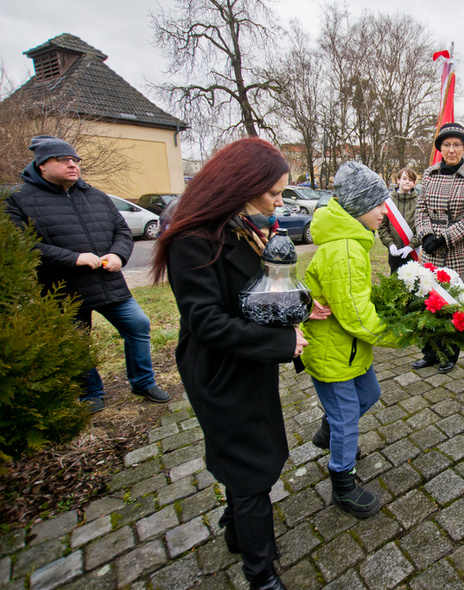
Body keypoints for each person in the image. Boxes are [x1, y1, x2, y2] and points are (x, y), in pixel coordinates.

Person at [151, 138, 326, 590]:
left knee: (246, 455)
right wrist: (282, 343)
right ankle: (261, 575)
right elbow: (207, 321)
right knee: (251, 471)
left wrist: (296, 307)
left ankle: (235, 529)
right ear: (241, 184)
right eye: (274, 193)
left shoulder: (239, 225)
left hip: (246, 364)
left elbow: (259, 293)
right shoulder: (192, 237)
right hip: (220, 370)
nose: (279, 202)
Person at [4, 135, 169, 414]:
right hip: (61, 290)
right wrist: (73, 259)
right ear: (42, 165)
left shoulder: (95, 196)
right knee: (77, 341)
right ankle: (90, 392)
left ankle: (143, 382)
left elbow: (122, 231)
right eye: (64, 160)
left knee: (138, 326)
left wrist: (118, 255)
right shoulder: (19, 200)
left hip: (108, 283)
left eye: (75, 160)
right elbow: (20, 243)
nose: (73, 165)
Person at [301, 161, 400, 519]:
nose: (384, 212)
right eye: (378, 205)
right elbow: (356, 317)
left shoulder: (353, 242)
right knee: (347, 419)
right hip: (333, 353)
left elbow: (355, 300)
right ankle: (342, 483)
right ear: (358, 208)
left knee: (369, 394)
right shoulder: (343, 251)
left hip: (349, 349)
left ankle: (329, 431)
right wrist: (401, 334)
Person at [413, 122, 464, 373]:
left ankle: (451, 352)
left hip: (458, 250)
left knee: (456, 301)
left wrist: (445, 237)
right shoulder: (430, 173)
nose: (452, 149)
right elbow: (420, 210)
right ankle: (430, 351)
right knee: (429, 300)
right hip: (431, 249)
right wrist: (424, 236)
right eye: (447, 145)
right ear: (440, 148)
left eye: (457, 145)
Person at [377, 166, 420, 274]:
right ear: (398, 180)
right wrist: (390, 244)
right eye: (404, 178)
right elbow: (382, 227)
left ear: (414, 183)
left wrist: (411, 246)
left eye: (410, 180)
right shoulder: (388, 202)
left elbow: (422, 228)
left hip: (413, 252)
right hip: (395, 253)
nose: (407, 182)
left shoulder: (419, 203)